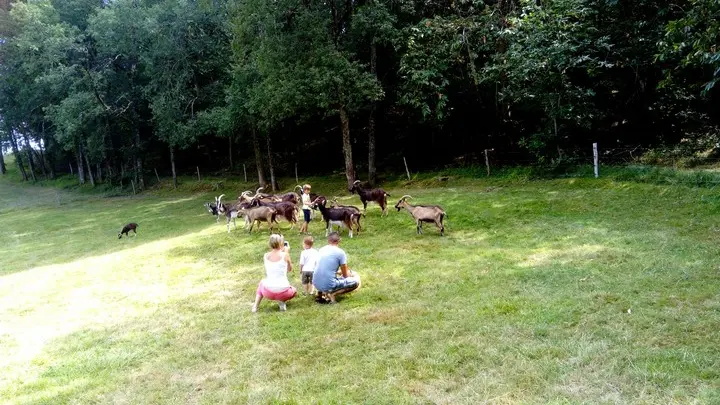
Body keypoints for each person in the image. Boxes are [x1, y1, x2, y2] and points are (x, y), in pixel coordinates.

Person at [252, 234, 296, 312]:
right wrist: (286, 252)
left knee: (261, 283)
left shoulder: (266, 256)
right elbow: (289, 269)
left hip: (268, 292)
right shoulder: (285, 255)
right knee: (294, 290)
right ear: (281, 243)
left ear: (270, 244)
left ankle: (255, 306)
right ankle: (282, 302)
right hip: (284, 292)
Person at [312, 232, 361, 303]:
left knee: (328, 278)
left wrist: (337, 272)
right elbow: (345, 275)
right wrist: (350, 274)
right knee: (355, 282)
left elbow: (318, 266)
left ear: (328, 240)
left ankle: (320, 294)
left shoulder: (322, 249)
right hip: (329, 285)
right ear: (339, 241)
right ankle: (333, 294)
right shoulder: (340, 253)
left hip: (316, 283)